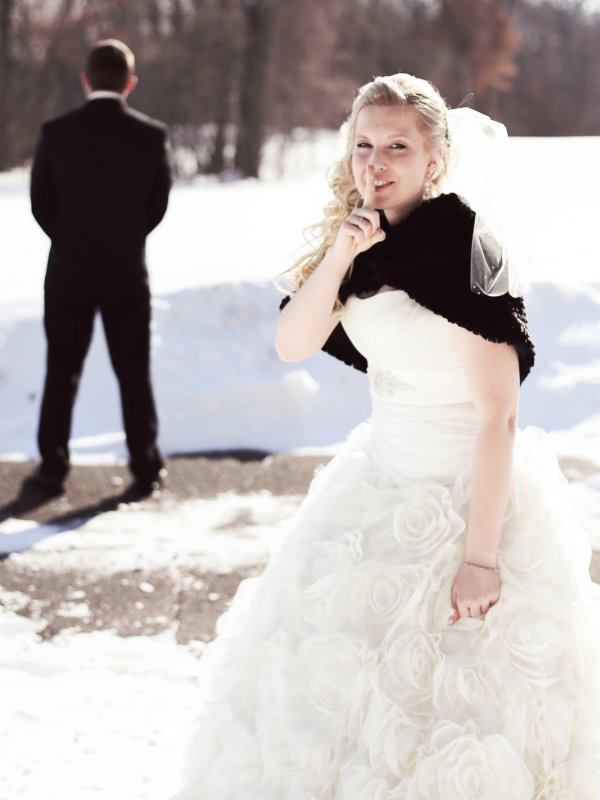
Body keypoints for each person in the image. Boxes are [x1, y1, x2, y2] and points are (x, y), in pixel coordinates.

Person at [175, 74, 600, 798]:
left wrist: (482, 560)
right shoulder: (364, 243)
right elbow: (291, 341)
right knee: (337, 706)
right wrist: (340, 254)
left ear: (433, 159)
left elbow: (498, 417)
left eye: (397, 146)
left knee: (454, 711)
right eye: (364, 145)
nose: (376, 162)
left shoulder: (466, 246)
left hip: (470, 503)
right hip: (377, 491)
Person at [27, 39, 171, 496]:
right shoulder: (151, 136)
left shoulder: (55, 132)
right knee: (133, 373)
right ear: (129, 83)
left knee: (60, 373)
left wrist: (71, 240)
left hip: (68, 273)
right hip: (127, 273)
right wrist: (123, 239)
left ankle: (52, 470)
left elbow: (40, 203)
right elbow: (157, 205)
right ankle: (145, 469)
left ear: (86, 79)